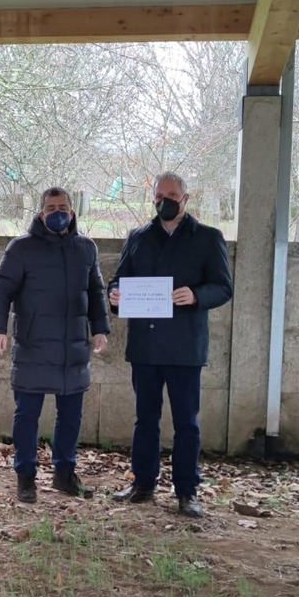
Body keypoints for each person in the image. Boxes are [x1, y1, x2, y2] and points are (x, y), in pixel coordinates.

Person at [108, 172, 233, 517]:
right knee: (145, 419)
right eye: (160, 195)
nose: (167, 200)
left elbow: (223, 287)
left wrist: (196, 295)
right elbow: (119, 279)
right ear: (152, 199)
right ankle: (143, 484)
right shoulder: (138, 237)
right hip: (145, 347)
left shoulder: (208, 238)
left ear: (186, 198)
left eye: (173, 194)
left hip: (184, 347)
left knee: (186, 423)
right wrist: (114, 295)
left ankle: (186, 491)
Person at [0, 187, 110, 503]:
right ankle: (25, 476)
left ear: (73, 211)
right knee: (27, 416)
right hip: (33, 347)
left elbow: (95, 292)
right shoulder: (21, 249)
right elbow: (0, 291)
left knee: (70, 417)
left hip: (74, 350)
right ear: (41, 212)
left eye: (64, 207)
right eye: (51, 207)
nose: (58, 212)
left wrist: (100, 329)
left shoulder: (86, 248)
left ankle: (65, 474)